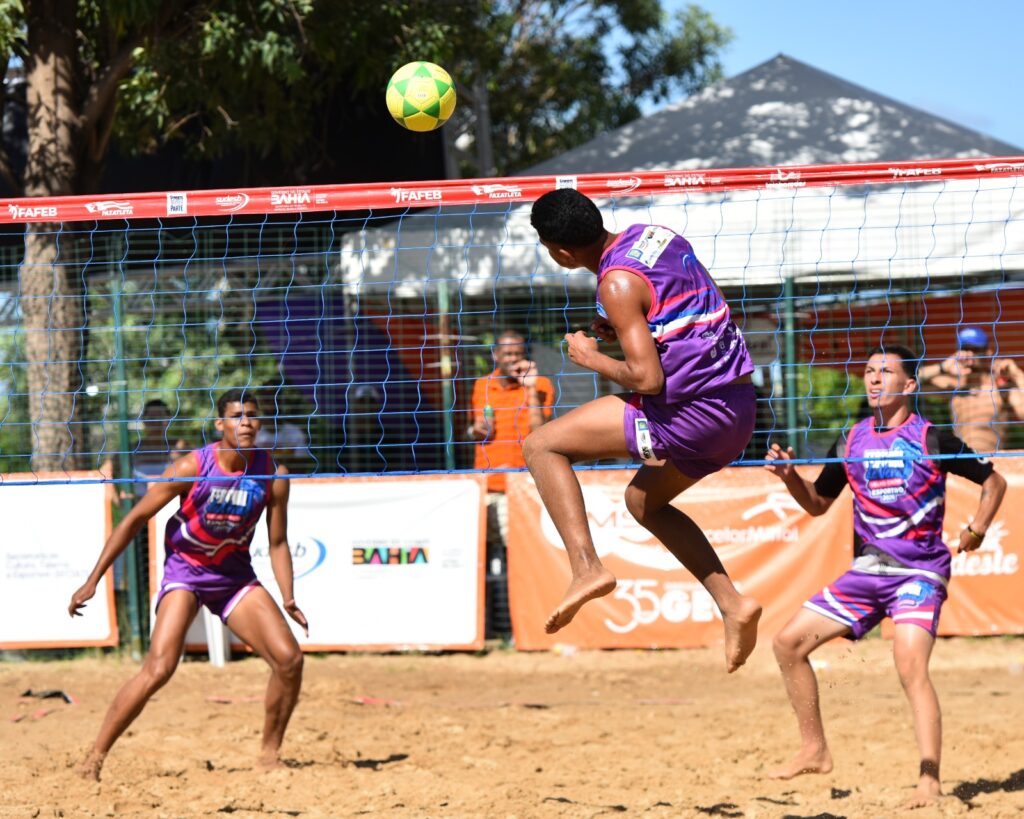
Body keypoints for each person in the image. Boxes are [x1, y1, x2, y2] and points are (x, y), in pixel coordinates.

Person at [524, 188, 762, 672]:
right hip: (739, 408)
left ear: (562, 253)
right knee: (643, 502)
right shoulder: (655, 236)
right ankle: (733, 605)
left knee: (542, 446)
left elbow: (648, 379)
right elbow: (680, 307)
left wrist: (591, 357)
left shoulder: (615, 285)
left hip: (694, 415)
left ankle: (586, 569)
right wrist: (627, 324)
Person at [764, 345, 1006, 808]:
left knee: (910, 664)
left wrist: (977, 528)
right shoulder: (850, 441)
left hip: (919, 571)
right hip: (869, 572)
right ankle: (814, 749)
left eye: (886, 371)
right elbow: (817, 505)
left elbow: (995, 482)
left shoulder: (932, 439)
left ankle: (929, 780)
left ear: (909, 385)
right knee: (787, 644)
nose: (874, 378)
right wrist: (790, 477)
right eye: (869, 371)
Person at [69, 388, 309, 781]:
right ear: (220, 424)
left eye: (252, 415)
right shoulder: (192, 466)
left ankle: (269, 753)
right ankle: (94, 758)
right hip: (186, 572)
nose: (246, 423)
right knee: (160, 668)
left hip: (233, 578)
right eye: (237, 416)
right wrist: (93, 580)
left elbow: (278, 542)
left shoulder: (273, 474)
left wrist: (288, 596)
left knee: (289, 660)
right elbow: (133, 520)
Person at [468, 330, 554, 636]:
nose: (513, 359)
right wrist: (476, 430)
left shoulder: (541, 385)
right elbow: (475, 428)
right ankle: (490, 627)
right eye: (507, 354)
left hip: (521, 486)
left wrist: (529, 389)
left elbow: (539, 434)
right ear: (496, 356)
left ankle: (519, 628)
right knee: (484, 556)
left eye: (517, 354)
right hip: (485, 484)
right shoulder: (482, 386)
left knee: (517, 555)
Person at [917, 325, 1024, 452]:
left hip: (993, 458)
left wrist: (1017, 374)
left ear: (988, 352)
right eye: (965, 349)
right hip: (962, 459)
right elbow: (909, 383)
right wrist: (943, 367)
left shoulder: (1001, 388)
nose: (970, 354)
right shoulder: (954, 386)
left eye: (975, 349)